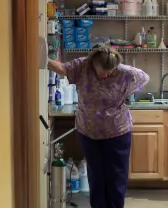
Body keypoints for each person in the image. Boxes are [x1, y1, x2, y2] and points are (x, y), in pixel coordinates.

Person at [48, 46, 150, 208]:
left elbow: (144, 78)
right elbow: (61, 68)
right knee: (96, 177)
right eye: (105, 71)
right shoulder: (82, 66)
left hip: (118, 131)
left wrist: (126, 92)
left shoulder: (124, 71)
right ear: (94, 64)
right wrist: (39, 55)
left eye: (111, 70)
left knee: (117, 176)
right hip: (89, 132)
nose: (108, 74)